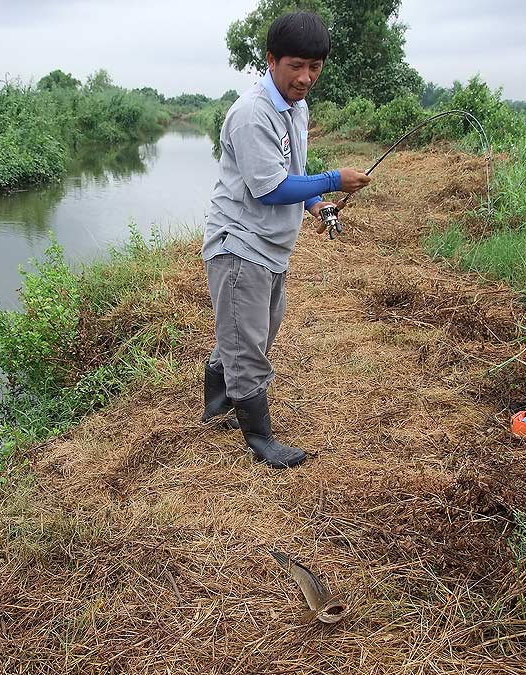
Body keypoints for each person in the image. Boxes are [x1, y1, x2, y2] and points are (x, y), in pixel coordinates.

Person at [200, 11, 371, 469]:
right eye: (296, 65)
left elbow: (292, 176)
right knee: (249, 341)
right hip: (240, 245)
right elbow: (269, 188)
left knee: (257, 329)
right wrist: (333, 179)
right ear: (272, 60)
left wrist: (318, 204)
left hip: (272, 246)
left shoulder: (296, 108)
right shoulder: (253, 114)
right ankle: (259, 438)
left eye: (315, 67)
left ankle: (216, 401)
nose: (305, 77)